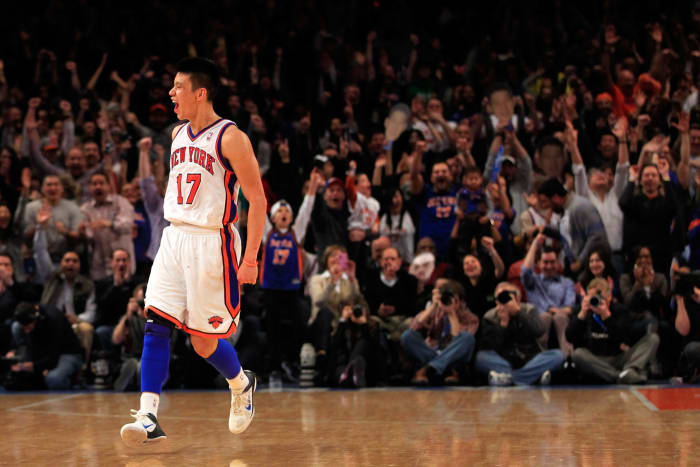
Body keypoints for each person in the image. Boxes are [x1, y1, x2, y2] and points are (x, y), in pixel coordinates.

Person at [120, 57, 266, 445]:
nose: (171, 92)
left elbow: (257, 200)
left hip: (211, 243)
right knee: (156, 320)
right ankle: (149, 415)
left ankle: (240, 383)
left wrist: (250, 258)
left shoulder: (231, 137)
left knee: (203, 342)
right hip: (174, 237)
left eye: (178, 86)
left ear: (200, 93)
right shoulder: (177, 134)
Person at [567, 278, 659, 384]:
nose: (596, 300)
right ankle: (621, 376)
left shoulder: (620, 310)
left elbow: (625, 338)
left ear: (609, 296)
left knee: (652, 338)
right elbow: (569, 337)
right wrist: (582, 314)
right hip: (594, 360)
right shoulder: (582, 311)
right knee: (578, 354)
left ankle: (630, 369)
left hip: (618, 358)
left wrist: (606, 316)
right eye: (592, 297)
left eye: (600, 297)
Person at [476, 282, 565, 386]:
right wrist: (503, 324)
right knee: (480, 357)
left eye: (506, 297)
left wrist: (519, 313)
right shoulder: (490, 316)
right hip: (503, 361)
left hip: (530, 359)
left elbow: (539, 331)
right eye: (499, 298)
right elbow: (491, 345)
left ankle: (509, 379)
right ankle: (530, 378)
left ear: (517, 298)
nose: (502, 300)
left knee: (558, 355)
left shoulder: (528, 309)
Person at [401, 279, 478, 385]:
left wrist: (451, 313)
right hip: (430, 352)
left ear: (460, 301)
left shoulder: (470, 318)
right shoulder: (434, 311)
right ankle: (445, 369)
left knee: (467, 338)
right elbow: (414, 327)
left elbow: (458, 338)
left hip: (453, 357)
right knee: (407, 336)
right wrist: (433, 306)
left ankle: (427, 369)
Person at [521, 231, 576, 357]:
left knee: (560, 317)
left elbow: (569, 308)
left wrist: (553, 311)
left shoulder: (567, 282)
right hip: (539, 321)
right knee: (545, 316)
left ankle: (568, 360)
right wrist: (535, 244)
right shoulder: (533, 281)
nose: (549, 266)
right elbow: (525, 271)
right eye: (545, 262)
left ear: (558, 263)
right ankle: (540, 359)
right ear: (539, 264)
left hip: (561, 320)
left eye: (552, 262)